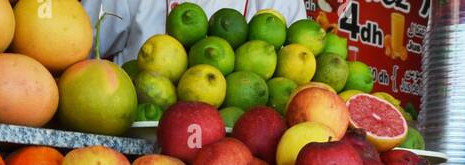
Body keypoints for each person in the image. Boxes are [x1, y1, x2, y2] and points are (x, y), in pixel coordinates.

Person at [82, 0, 309, 65]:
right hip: (134, 148)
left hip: (244, 158)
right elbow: (77, 49)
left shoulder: (282, 4)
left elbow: (296, 77)